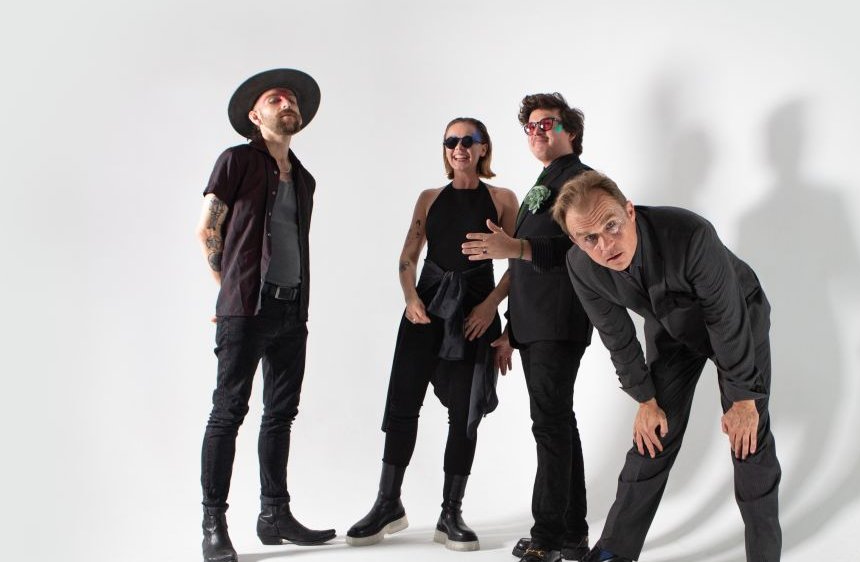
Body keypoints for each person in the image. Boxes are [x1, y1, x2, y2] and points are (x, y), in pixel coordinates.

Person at [553, 171, 782, 562]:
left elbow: (726, 318)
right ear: (575, 240)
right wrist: (645, 398)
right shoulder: (581, 266)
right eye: (589, 238)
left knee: (749, 444)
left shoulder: (691, 234)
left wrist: (744, 399)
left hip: (737, 317)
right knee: (651, 439)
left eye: (612, 225)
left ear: (629, 212)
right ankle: (612, 554)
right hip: (671, 330)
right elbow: (617, 336)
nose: (605, 244)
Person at [346, 117, 519, 552]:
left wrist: (489, 306)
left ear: (483, 148)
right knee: (402, 406)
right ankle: (388, 504)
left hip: (474, 316)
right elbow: (408, 257)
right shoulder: (427, 198)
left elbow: (520, 264)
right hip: (424, 312)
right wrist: (409, 297)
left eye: (467, 141)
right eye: (450, 141)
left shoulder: (502, 199)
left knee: (463, 415)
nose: (458, 147)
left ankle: (451, 512)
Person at [195, 68, 335, 562]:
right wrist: (229, 292)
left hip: (292, 311)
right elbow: (208, 232)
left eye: (292, 98)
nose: (287, 103)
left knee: (280, 415)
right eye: (276, 98)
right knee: (228, 412)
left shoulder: (305, 179)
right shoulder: (236, 160)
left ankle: (274, 513)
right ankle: (214, 522)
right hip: (245, 309)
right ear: (256, 115)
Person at [462, 93, 593, 562]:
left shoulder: (582, 181)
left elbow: (578, 250)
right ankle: (574, 537)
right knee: (559, 426)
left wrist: (513, 247)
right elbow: (529, 270)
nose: (537, 132)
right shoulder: (545, 182)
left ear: (570, 132)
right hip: (536, 326)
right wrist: (512, 332)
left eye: (548, 125)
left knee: (550, 427)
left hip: (561, 325)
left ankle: (548, 539)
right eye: (531, 127)